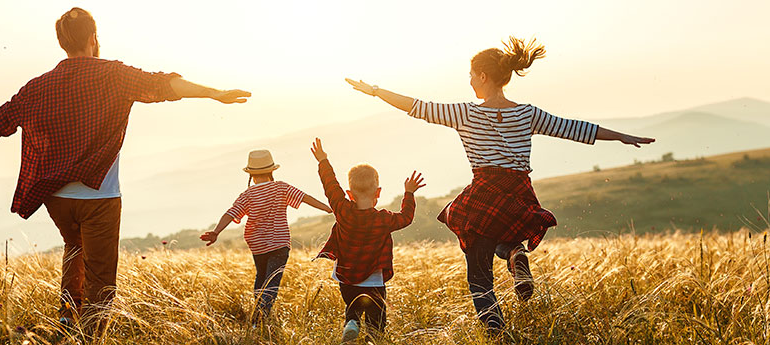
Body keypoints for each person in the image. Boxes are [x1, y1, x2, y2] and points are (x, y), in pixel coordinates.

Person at [0, 7, 251, 335]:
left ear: (62, 43)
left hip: (56, 198)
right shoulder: (115, 75)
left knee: (74, 250)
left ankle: (66, 321)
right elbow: (164, 85)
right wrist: (214, 93)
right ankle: (90, 336)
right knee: (101, 277)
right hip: (100, 197)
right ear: (93, 37)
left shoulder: (38, 86)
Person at [344, 36, 655, 337]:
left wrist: (374, 91)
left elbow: (416, 106)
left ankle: (497, 333)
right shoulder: (527, 113)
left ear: (482, 75)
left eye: (470, 75)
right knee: (498, 234)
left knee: (477, 272)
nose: (468, 81)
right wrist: (623, 137)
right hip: (520, 192)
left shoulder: (465, 112)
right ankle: (515, 253)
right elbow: (574, 128)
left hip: (484, 192)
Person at [308, 138, 422, 342]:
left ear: (349, 194)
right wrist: (409, 193)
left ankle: (352, 321)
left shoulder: (342, 210)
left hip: (346, 277)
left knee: (352, 307)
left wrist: (323, 161)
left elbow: (330, 185)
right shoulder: (384, 219)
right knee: (376, 319)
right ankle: (373, 338)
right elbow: (406, 218)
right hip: (373, 279)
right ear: (378, 193)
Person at [199, 149, 332, 323]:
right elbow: (305, 198)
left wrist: (216, 232)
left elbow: (230, 213)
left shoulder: (247, 195)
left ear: (251, 175)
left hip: (258, 246)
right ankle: (260, 318)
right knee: (272, 282)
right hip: (279, 244)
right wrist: (328, 208)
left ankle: (258, 315)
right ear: (271, 171)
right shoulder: (281, 187)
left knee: (261, 278)